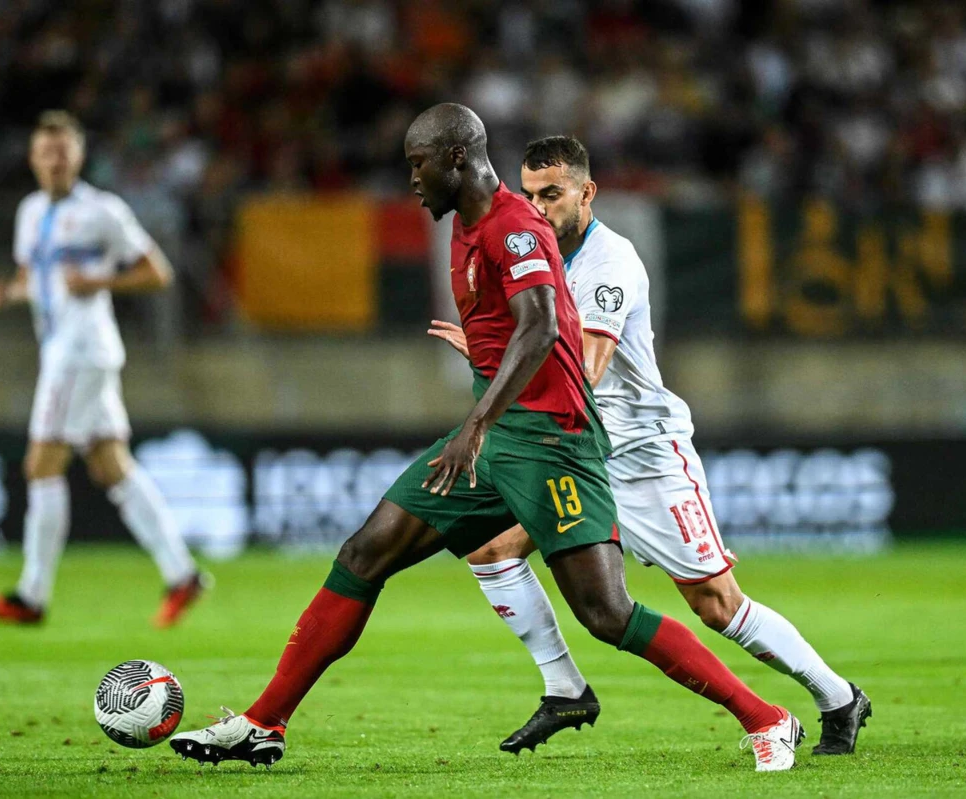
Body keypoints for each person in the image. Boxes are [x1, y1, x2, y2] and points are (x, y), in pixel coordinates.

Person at [169, 104, 802, 772]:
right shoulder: (465, 226)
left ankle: (768, 718)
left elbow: (542, 326)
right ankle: (265, 721)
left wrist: (474, 425)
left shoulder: (513, 226)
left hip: (554, 442)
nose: (411, 180)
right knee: (364, 551)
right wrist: (482, 415)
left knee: (606, 613)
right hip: (499, 440)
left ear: (456, 159)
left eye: (417, 164)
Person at [429, 135, 871, 757]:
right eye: (528, 195)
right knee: (490, 550)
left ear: (588, 193)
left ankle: (839, 698)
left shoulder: (610, 263)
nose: (538, 206)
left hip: (641, 453)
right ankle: (563, 687)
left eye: (552, 194)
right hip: (575, 449)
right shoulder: (529, 255)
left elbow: (587, 366)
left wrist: (493, 356)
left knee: (717, 606)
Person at [0, 110, 208, 628]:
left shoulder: (103, 211)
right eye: (45, 151)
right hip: (65, 351)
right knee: (109, 464)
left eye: (64, 151)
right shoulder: (30, 212)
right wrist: (6, 291)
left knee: (41, 464)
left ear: (79, 157)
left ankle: (31, 596)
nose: (55, 160)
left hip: (81, 351)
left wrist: (100, 283)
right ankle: (183, 573)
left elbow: (157, 272)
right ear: (33, 158)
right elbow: (35, 278)